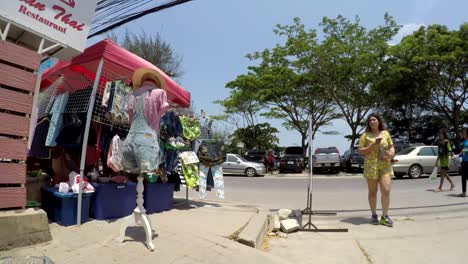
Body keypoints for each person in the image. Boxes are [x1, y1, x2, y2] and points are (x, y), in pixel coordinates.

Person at [358, 113, 395, 227]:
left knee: (386, 190)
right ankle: (374, 215)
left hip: (385, 165)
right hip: (371, 166)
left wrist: (390, 154)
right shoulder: (365, 135)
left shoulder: (385, 133)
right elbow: (360, 151)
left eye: (374, 120)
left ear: (379, 121)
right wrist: (372, 146)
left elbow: (391, 147)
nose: (372, 122)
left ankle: (384, 216)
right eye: (370, 121)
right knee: (373, 192)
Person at [454, 128, 468, 197]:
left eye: (464, 132)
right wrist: (456, 156)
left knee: (466, 177)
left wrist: (465, 150)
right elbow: (462, 152)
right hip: (464, 161)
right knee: (463, 177)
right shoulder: (464, 141)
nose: (463, 133)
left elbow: (465, 150)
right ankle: (464, 192)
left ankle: (464, 192)